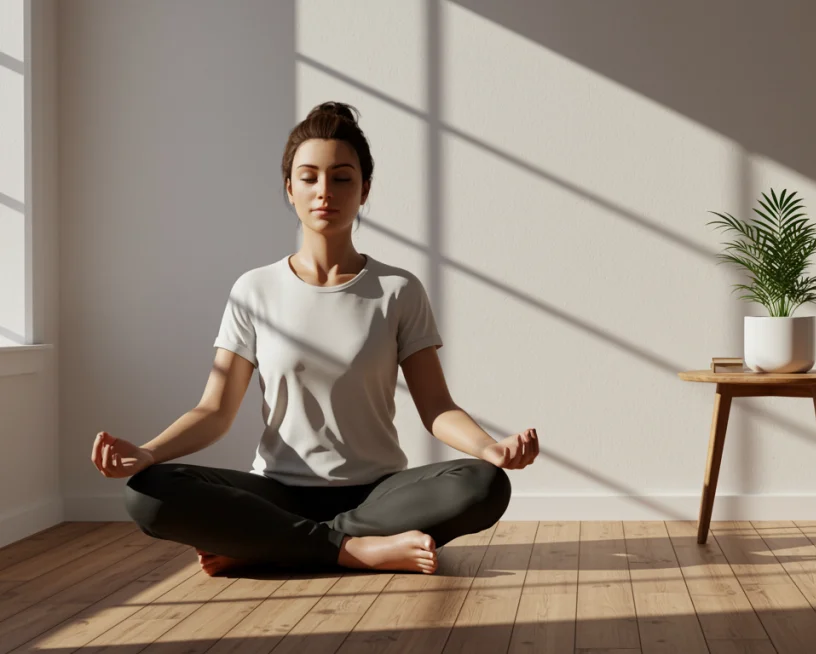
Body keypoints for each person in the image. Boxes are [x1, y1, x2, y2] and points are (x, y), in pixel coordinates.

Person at [89, 101, 538, 577]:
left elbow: (436, 407)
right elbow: (215, 411)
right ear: (289, 188)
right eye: (309, 177)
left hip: (378, 494)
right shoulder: (254, 289)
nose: (325, 191)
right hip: (278, 491)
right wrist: (148, 453)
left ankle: (272, 543)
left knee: (483, 484)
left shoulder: (398, 289)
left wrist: (488, 448)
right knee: (147, 493)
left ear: (364, 190)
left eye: (342, 178)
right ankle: (354, 549)